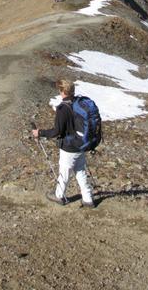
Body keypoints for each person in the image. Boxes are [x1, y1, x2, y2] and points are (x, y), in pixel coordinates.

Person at [32, 79, 95, 208]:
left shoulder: (62, 108)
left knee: (64, 171)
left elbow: (57, 131)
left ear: (62, 91)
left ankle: (59, 196)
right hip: (81, 143)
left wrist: (40, 132)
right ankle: (88, 199)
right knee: (80, 170)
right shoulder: (78, 103)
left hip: (69, 147)